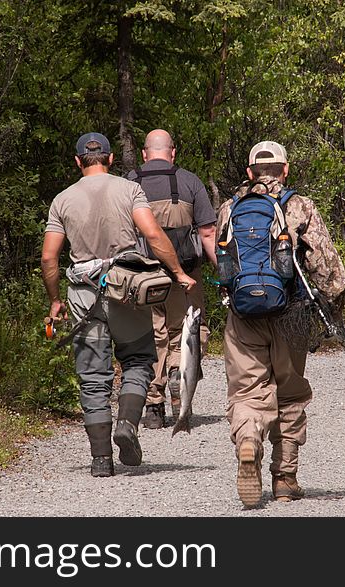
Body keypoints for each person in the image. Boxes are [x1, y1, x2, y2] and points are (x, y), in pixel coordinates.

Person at [41, 132, 196, 478]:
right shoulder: (129, 190)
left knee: (93, 378)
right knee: (139, 360)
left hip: (84, 297)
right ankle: (126, 423)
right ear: (110, 159)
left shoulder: (62, 200)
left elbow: (49, 257)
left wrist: (54, 300)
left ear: (78, 161)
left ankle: (100, 460)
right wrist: (178, 272)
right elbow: (154, 235)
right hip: (125, 289)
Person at [216, 140, 345, 506]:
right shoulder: (300, 206)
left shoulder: (229, 209)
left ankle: (248, 441)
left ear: (249, 172)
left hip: (243, 316)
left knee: (247, 392)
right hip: (291, 314)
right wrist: (332, 306)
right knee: (289, 392)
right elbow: (329, 270)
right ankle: (285, 479)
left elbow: (222, 263)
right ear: (285, 169)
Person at [126, 129, 218, 429]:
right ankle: (180, 376)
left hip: (143, 278)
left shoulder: (129, 182)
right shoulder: (190, 181)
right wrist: (224, 270)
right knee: (186, 333)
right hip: (185, 275)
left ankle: (154, 405)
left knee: (152, 336)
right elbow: (207, 233)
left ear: (144, 153)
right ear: (173, 152)